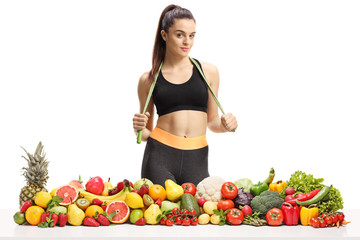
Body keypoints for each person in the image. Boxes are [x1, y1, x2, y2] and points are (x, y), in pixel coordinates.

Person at [132, 4, 238, 187]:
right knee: (161, 215)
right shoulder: (148, 80)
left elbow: (212, 122)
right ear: (164, 35)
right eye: (179, 35)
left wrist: (225, 126)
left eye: (192, 35)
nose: (186, 42)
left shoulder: (209, 72)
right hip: (159, 158)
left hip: (197, 157)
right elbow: (146, 133)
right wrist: (137, 128)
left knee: (198, 215)